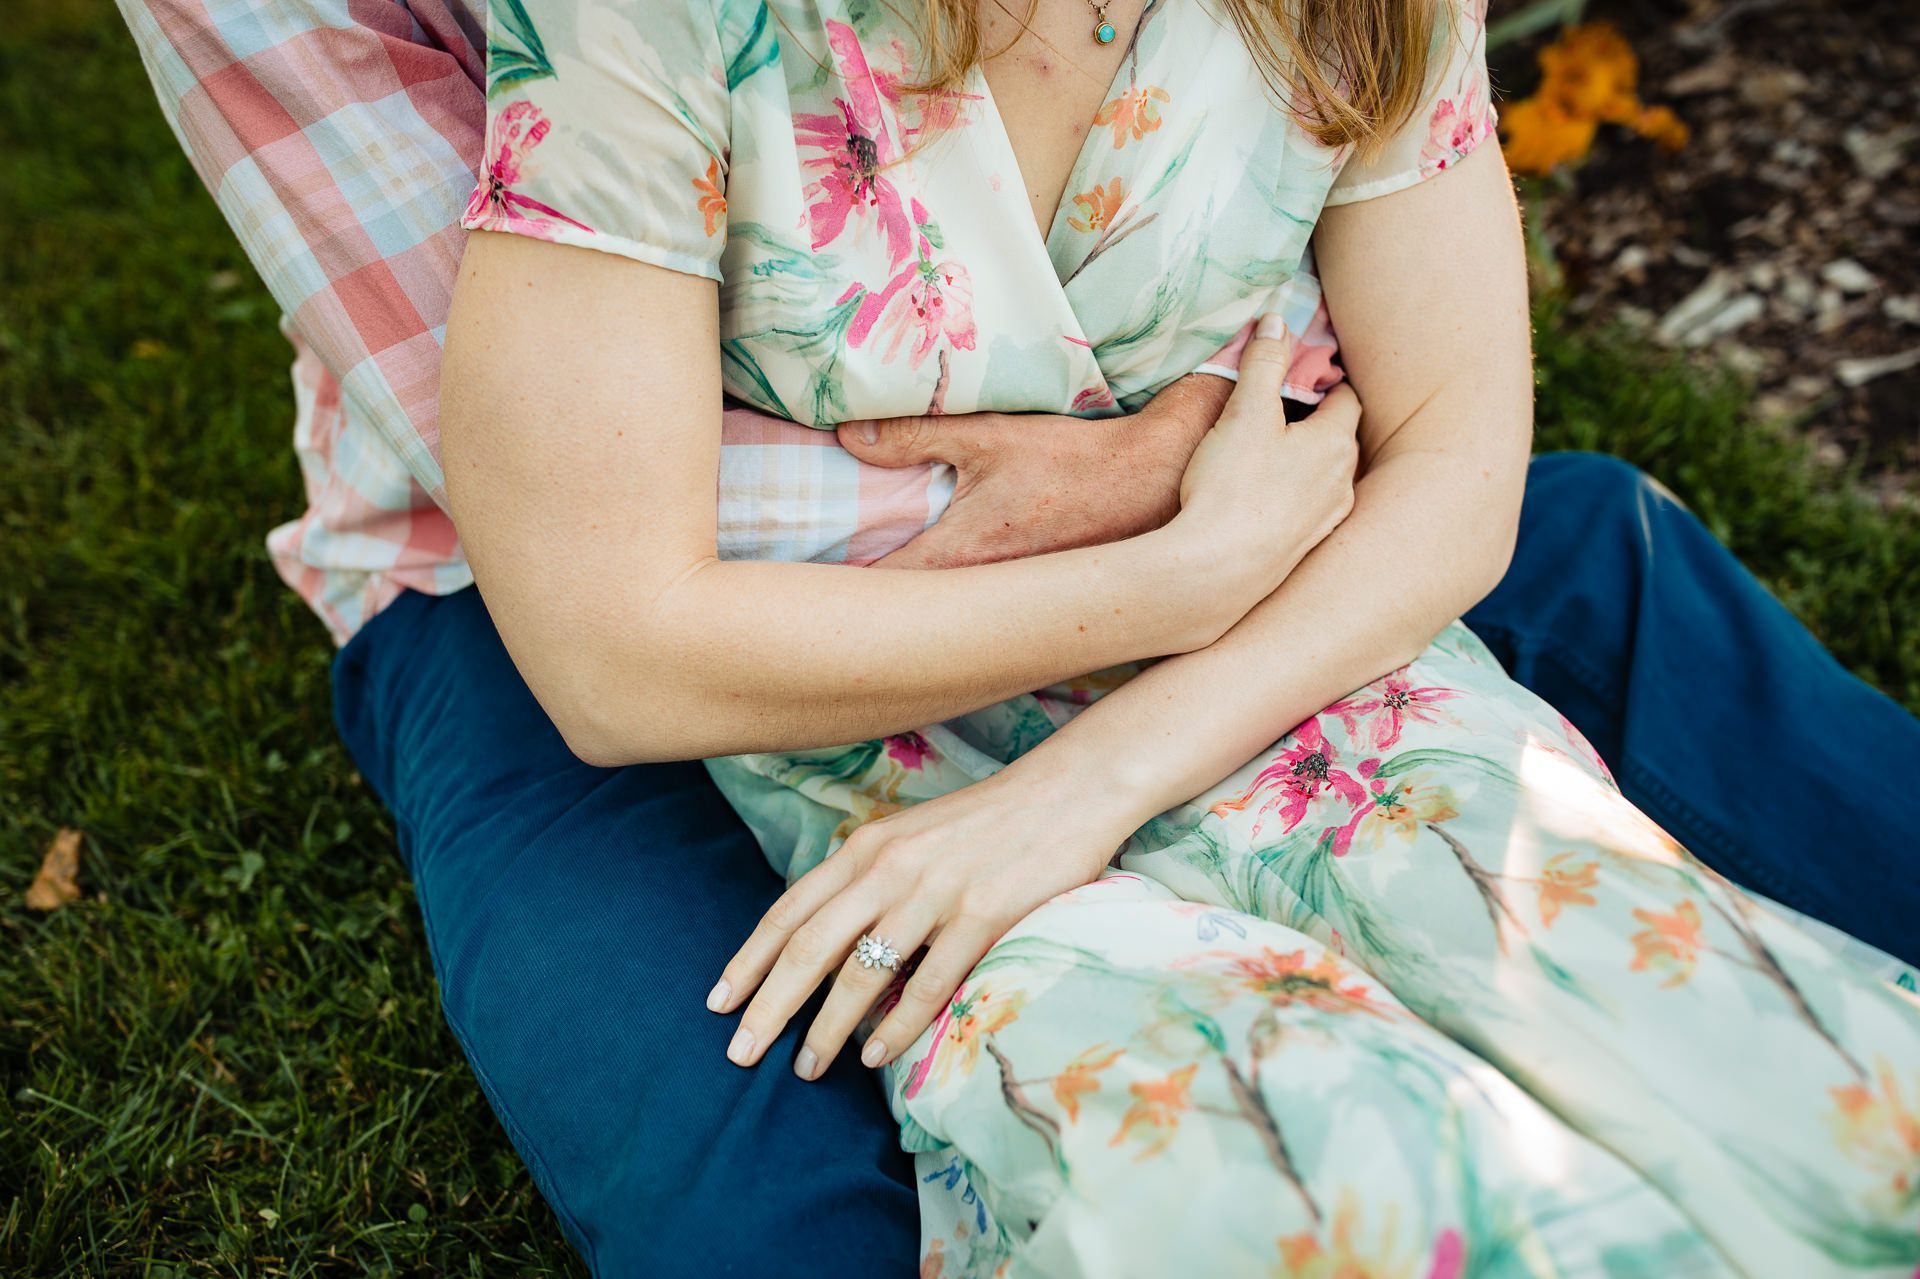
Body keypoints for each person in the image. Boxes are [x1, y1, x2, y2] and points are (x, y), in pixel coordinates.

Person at [118, 0, 1920, 1274]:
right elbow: (585, 584)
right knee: (777, 1188)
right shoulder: (634, 38)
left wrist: (1159, 648)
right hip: (585, 612)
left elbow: (1454, 449)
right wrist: (1169, 522)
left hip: (1242, 582)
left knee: (1780, 1069)